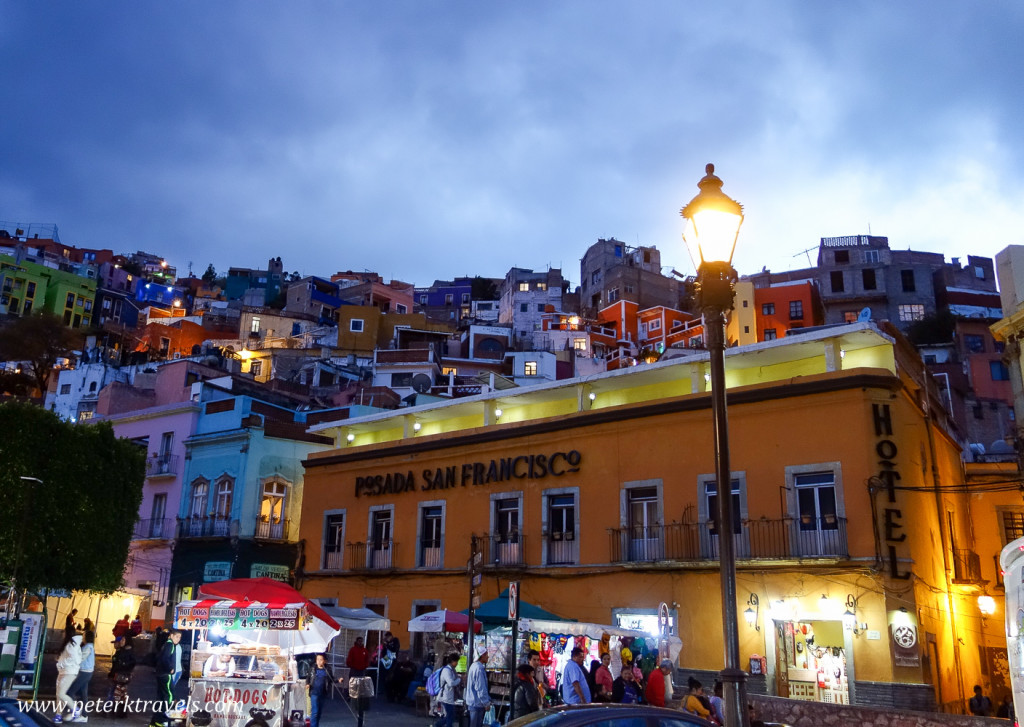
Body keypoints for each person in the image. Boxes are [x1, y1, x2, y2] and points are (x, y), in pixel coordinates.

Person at [305, 653, 343, 727]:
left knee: (319, 712)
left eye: (321, 660)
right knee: (315, 712)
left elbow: (331, 679)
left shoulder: (328, 669)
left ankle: (316, 725)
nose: (319, 661)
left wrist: (338, 680)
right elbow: (308, 677)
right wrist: (307, 683)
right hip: (314, 692)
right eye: (317, 659)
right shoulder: (313, 668)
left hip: (323, 693)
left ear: (325, 661)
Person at [55, 632, 83, 723]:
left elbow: (76, 659)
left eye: (64, 632)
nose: (62, 633)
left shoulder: (72, 645)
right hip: (64, 671)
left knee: (61, 693)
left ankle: (75, 709)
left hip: (69, 672)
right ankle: (58, 715)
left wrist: (62, 664)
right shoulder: (70, 644)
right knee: (59, 694)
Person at [154, 629, 182, 719]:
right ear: (171, 636)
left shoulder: (166, 644)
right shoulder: (170, 645)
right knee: (170, 694)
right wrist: (170, 668)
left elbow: (160, 657)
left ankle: (160, 712)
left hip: (160, 673)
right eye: (177, 637)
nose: (178, 639)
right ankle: (167, 711)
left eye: (179, 637)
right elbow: (165, 658)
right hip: (165, 674)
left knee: (162, 694)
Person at [68, 630, 96, 722]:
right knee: (84, 694)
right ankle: (84, 715)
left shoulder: (88, 647)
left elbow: (80, 658)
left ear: (87, 637)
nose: (82, 637)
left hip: (84, 672)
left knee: (70, 692)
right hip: (87, 672)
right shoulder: (89, 646)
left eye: (83, 635)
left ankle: (77, 712)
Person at [108, 636, 136, 719]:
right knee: (120, 694)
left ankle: (118, 712)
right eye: (122, 640)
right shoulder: (122, 651)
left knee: (119, 694)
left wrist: (123, 664)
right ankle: (118, 712)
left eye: (124, 640)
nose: (122, 642)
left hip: (123, 676)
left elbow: (132, 662)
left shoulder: (128, 651)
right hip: (119, 675)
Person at [465, 649, 491, 727]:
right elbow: (480, 688)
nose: (488, 657)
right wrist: (486, 703)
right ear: (482, 656)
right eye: (486, 655)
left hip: (473, 702)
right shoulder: (479, 668)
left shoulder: (473, 666)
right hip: (477, 703)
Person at [435, 652, 461, 727]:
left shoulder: (451, 670)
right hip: (445, 697)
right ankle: (438, 725)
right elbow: (451, 683)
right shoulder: (447, 670)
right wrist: (459, 680)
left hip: (449, 697)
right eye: (456, 662)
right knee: (450, 717)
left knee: (450, 716)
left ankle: (437, 725)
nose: (457, 664)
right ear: (453, 661)